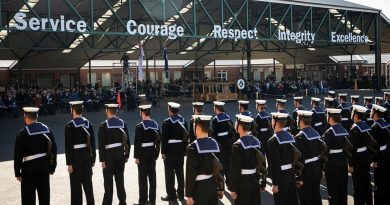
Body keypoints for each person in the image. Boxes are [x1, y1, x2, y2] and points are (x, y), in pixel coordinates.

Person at [14, 107, 57, 205]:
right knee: (44, 196)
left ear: (26, 117)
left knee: (28, 198)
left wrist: (17, 173)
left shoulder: (22, 133)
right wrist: (52, 167)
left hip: (29, 169)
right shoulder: (47, 129)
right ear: (36, 116)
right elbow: (53, 150)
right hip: (44, 166)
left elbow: (18, 155)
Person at [185, 115, 224, 205]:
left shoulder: (193, 147)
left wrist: (189, 195)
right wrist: (221, 188)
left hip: (199, 188)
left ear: (197, 128)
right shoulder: (217, 144)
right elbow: (221, 168)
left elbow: (190, 173)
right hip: (213, 186)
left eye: (194, 126)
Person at [98, 104, 130, 205]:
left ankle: (107, 203)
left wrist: (102, 160)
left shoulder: (103, 125)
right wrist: (126, 155)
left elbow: (101, 144)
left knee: (108, 182)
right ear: (116, 112)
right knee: (120, 180)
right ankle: (122, 201)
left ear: (107, 111)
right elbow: (127, 141)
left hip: (108, 156)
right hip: (120, 154)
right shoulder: (122, 123)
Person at [65, 101, 96, 205]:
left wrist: (69, 163)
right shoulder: (88, 123)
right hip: (87, 156)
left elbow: (68, 146)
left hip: (75, 158)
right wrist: (93, 159)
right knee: (88, 186)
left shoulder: (69, 126)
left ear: (73, 110)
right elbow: (93, 143)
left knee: (75, 188)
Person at [230, 114, 265, 205]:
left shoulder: (237, 145)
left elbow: (235, 169)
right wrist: (263, 182)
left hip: (242, 183)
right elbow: (263, 164)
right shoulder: (258, 142)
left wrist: (233, 189)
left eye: (236, 123)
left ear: (240, 127)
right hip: (255, 180)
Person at [267, 112, 301, 205]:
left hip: (281, 178)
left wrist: (275, 184)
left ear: (276, 123)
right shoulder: (291, 137)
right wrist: (298, 176)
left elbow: (275, 164)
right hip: (291, 175)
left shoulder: (273, 141)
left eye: (272, 120)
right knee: (292, 201)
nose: (271, 122)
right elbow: (297, 158)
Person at [295, 110, 326, 205]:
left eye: (297, 118)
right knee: (316, 196)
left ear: (301, 121)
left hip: (306, 172)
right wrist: (322, 169)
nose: (296, 120)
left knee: (306, 199)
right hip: (316, 168)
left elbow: (300, 159)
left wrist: (299, 177)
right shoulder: (316, 133)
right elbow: (322, 152)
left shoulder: (299, 137)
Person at [323, 108, 352, 205]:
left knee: (333, 189)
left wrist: (322, 167)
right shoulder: (344, 129)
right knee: (342, 188)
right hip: (343, 161)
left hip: (332, 164)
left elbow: (325, 151)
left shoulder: (329, 132)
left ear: (330, 117)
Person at [161, 102, 188, 201]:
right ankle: (181, 194)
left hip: (170, 150)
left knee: (169, 173)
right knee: (180, 172)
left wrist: (163, 152)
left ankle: (171, 194)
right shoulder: (183, 121)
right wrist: (185, 149)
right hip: (180, 149)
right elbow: (186, 137)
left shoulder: (167, 122)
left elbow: (164, 139)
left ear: (171, 110)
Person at [134, 105, 160, 205]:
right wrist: (156, 153)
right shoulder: (155, 124)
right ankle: (152, 200)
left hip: (142, 153)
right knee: (152, 177)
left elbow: (137, 143)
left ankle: (143, 201)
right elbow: (158, 140)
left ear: (143, 113)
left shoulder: (140, 126)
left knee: (142, 178)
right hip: (152, 152)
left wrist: (136, 157)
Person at [349, 105, 375, 205]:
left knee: (358, 185)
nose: (351, 114)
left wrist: (350, 164)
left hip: (358, 160)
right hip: (366, 157)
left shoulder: (354, 128)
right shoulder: (366, 125)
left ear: (355, 115)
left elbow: (353, 149)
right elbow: (371, 143)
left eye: (352, 112)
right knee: (366, 183)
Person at [211, 101, 235, 184]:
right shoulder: (228, 117)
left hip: (220, 142)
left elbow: (214, 134)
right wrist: (231, 139)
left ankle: (221, 182)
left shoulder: (215, 119)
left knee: (220, 162)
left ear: (216, 108)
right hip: (228, 141)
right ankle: (229, 181)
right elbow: (232, 130)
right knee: (228, 162)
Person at [370, 104, 390, 205]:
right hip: (386, 155)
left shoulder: (375, 126)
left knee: (379, 182)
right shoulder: (386, 124)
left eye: (371, 111)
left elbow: (374, 146)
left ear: (375, 114)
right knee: (386, 181)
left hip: (380, 157)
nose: (370, 113)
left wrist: (374, 160)